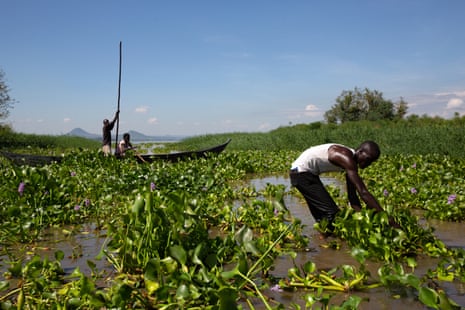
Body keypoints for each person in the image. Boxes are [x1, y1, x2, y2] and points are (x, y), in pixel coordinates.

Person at [289, 141, 399, 231]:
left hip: (306, 174)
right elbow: (363, 192)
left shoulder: (350, 164)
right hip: (301, 174)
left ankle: (322, 240)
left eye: (371, 162)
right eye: (368, 159)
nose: (368, 164)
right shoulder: (346, 158)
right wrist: (389, 220)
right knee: (332, 213)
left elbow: (353, 196)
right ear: (360, 152)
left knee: (323, 215)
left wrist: (361, 218)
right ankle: (327, 238)